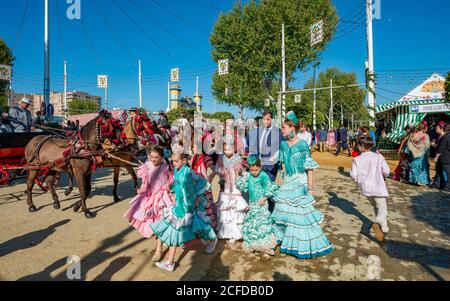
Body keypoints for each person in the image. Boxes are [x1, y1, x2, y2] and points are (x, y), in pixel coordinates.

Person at [272, 111, 333, 259]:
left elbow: (309, 168)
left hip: (300, 182)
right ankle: (285, 240)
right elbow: (283, 165)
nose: (282, 130)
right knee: (285, 212)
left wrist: (310, 188)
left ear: (292, 128)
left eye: (284, 127)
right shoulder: (283, 144)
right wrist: (284, 179)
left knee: (300, 215)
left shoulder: (303, 144)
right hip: (287, 182)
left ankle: (300, 245)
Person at [150, 152, 217, 272]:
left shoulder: (189, 171)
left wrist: (196, 197)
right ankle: (170, 262)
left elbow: (203, 182)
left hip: (188, 205)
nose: (174, 164)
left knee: (193, 226)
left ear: (184, 161)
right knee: (184, 228)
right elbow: (178, 185)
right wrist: (171, 188)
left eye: (176, 161)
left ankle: (212, 240)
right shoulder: (176, 171)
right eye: (173, 161)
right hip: (179, 205)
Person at [123, 146, 173, 238]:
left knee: (160, 213)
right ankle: (153, 230)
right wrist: (141, 190)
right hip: (150, 194)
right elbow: (145, 182)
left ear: (162, 158)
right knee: (149, 214)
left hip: (161, 194)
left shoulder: (166, 167)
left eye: (156, 157)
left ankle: (161, 230)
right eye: (152, 157)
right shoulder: (147, 166)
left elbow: (171, 178)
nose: (153, 159)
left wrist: (168, 185)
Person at [236, 155, 279, 261]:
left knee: (262, 224)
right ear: (249, 168)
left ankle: (265, 249)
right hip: (252, 203)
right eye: (252, 170)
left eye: (256, 169)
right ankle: (254, 244)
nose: (254, 172)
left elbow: (270, 187)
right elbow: (242, 186)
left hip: (262, 203)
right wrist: (241, 175)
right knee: (253, 224)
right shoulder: (248, 176)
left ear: (260, 167)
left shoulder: (264, 176)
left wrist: (264, 198)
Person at [350, 136, 390, 243]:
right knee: (383, 210)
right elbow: (387, 171)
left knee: (376, 207)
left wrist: (359, 182)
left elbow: (353, 175)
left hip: (366, 189)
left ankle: (384, 228)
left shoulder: (356, 159)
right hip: (378, 187)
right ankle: (377, 222)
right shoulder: (378, 157)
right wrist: (383, 174)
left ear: (362, 146)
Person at [214, 143, 248, 249]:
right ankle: (226, 233)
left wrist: (238, 170)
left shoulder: (237, 158)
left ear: (233, 149)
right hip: (226, 186)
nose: (226, 151)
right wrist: (221, 172)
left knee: (234, 208)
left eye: (229, 149)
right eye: (225, 149)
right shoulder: (221, 158)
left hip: (235, 185)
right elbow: (217, 169)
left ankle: (235, 234)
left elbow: (240, 171)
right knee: (226, 208)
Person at [248, 111, 282, 182]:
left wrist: (275, 158)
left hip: (270, 166)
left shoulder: (277, 131)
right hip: (258, 164)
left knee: (268, 188)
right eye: (264, 119)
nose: (265, 121)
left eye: (268, 119)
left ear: (272, 120)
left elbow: (280, 147)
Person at [435, 123, 450, 192]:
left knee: (446, 172)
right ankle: (442, 185)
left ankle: (446, 186)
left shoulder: (445, 137)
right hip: (446, 157)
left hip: (444, 157)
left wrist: (436, 156)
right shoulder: (448, 136)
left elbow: (441, 147)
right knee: (439, 171)